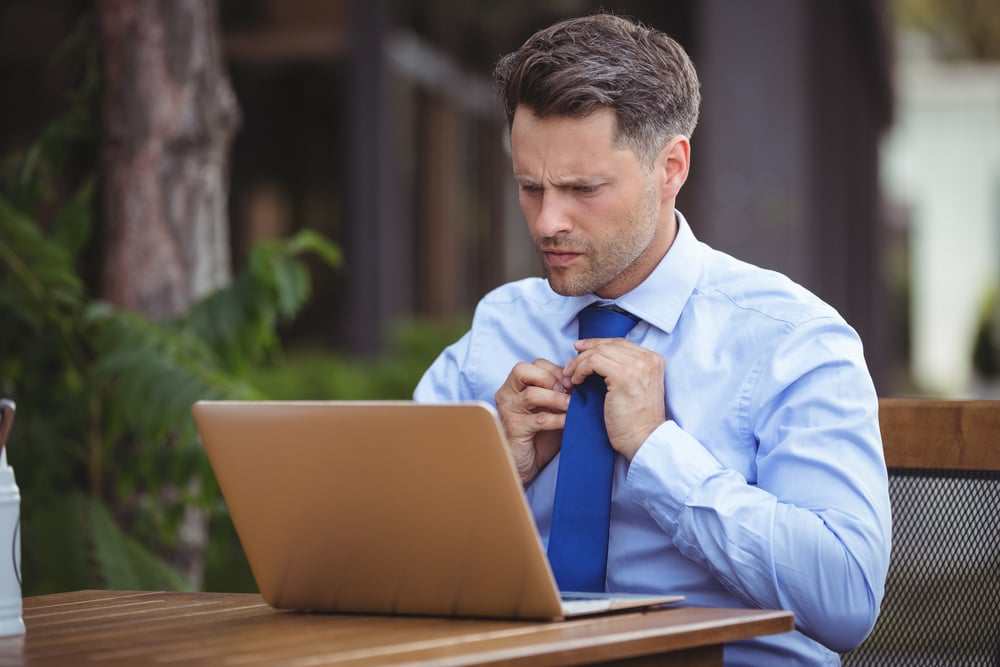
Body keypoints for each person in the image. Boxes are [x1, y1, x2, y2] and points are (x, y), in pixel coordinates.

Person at [414, 13, 891, 666]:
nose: (548, 220)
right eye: (529, 187)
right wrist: (495, 471)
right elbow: (387, 559)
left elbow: (846, 598)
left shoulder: (792, 340)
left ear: (670, 167)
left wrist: (658, 451)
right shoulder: (499, 326)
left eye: (583, 189)